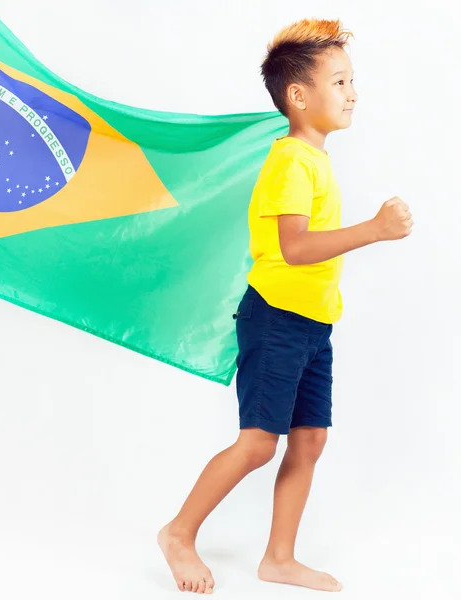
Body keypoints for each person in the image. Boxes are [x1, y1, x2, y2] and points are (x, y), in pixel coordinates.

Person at [157, 17, 413, 595]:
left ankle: (278, 557)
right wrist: (372, 229)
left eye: (352, 81)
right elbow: (294, 249)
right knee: (256, 444)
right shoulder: (291, 162)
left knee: (310, 439)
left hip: (312, 322)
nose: (353, 93)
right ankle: (178, 532)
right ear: (299, 96)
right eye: (341, 82)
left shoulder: (315, 159)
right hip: (276, 318)